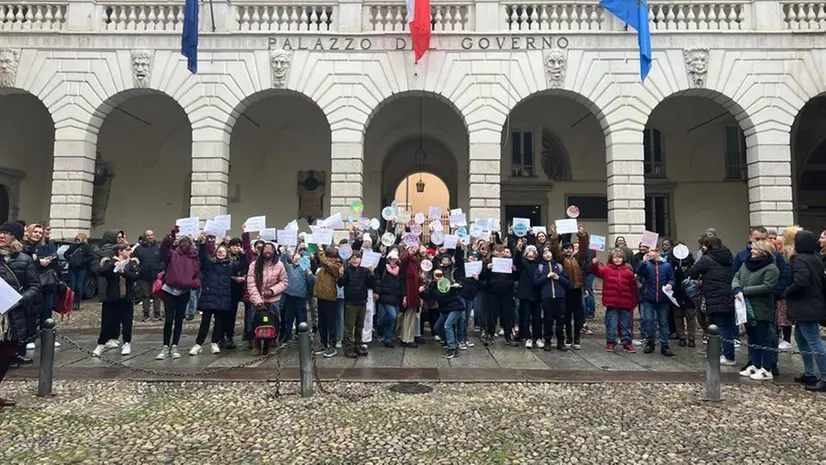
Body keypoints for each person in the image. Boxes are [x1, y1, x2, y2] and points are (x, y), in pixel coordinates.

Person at [0, 221, 41, 408]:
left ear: (14, 237)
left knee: (6, 354)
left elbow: (35, 286)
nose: (2, 236)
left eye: (7, 233)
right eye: (0, 232)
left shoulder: (24, 260)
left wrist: (19, 299)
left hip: (11, 316)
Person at [784, 230, 826, 391]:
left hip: (805, 306)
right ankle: (809, 373)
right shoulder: (816, 258)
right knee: (801, 339)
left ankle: (824, 375)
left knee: (814, 341)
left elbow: (801, 281)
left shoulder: (800, 259)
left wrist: (788, 292)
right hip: (811, 304)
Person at [733, 239, 779, 381]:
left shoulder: (771, 268)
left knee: (763, 339)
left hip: (761, 309)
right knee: (752, 337)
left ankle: (766, 368)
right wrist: (736, 288)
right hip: (745, 306)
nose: (751, 251)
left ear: (763, 251)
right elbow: (736, 277)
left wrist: (745, 291)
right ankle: (754, 363)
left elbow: (767, 286)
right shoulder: (746, 264)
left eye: (755, 249)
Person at [688, 236, 737, 366]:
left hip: (714, 296)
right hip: (728, 295)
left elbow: (692, 271)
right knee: (726, 327)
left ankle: (726, 355)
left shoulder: (707, 259)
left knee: (716, 326)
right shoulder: (728, 256)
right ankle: (724, 353)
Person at [157, 227, 202, 360]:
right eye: (183, 242)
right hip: (170, 290)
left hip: (184, 291)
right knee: (169, 319)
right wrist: (171, 235)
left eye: (187, 242)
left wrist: (195, 283)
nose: (185, 245)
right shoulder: (172, 254)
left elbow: (198, 274)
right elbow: (163, 249)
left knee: (179, 320)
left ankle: (175, 345)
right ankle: (165, 346)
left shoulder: (194, 258)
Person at [189, 239, 237, 356]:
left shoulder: (230, 266)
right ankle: (198, 343)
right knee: (205, 322)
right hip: (209, 297)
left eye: (223, 252)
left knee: (219, 322)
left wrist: (242, 248)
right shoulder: (209, 264)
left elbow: (245, 261)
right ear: (215, 253)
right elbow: (202, 256)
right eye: (219, 251)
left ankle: (214, 343)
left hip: (222, 298)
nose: (221, 253)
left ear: (227, 253)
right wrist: (203, 243)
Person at [92, 243, 140, 357]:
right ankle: (101, 344)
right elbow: (101, 272)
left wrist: (124, 272)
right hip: (112, 298)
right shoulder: (109, 262)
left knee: (127, 323)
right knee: (108, 322)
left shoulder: (131, 263)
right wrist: (114, 265)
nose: (129, 252)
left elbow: (135, 276)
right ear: (120, 251)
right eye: (127, 250)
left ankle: (127, 343)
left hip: (126, 298)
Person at [591, 248, 638, 352]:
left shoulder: (628, 272)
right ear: (611, 258)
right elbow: (596, 272)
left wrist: (634, 302)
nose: (617, 260)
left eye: (619, 258)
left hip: (625, 303)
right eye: (615, 258)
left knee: (626, 324)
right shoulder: (606, 269)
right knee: (611, 323)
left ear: (623, 259)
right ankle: (611, 342)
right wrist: (594, 264)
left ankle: (627, 342)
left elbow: (633, 288)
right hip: (612, 302)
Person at [635, 246, 676, 356]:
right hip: (649, 297)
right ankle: (650, 342)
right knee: (648, 320)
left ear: (658, 252)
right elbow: (639, 273)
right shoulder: (647, 264)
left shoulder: (666, 265)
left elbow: (672, 278)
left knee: (663, 322)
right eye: (650, 251)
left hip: (662, 298)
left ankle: (664, 345)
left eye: (653, 251)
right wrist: (643, 262)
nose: (651, 253)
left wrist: (670, 284)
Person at [247, 242, 289, 347]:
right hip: (258, 299)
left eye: (270, 249)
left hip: (274, 300)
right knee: (257, 322)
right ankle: (255, 341)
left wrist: (272, 291)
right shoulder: (254, 265)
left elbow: (284, 282)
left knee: (273, 321)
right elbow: (251, 284)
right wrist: (258, 300)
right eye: (266, 249)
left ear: (274, 251)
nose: (268, 252)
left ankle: (271, 339)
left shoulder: (279, 265)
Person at [419, 268, 464, 359]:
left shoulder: (448, 283)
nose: (439, 277)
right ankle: (447, 342)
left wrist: (457, 286)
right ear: (434, 277)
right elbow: (428, 297)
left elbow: (445, 293)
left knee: (448, 325)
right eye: (437, 275)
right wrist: (421, 292)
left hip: (456, 307)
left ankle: (452, 349)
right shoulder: (433, 286)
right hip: (445, 309)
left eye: (441, 275)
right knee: (437, 327)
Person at [338, 251, 375, 358]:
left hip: (362, 301)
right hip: (350, 302)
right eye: (353, 258)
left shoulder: (365, 270)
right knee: (349, 326)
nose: (355, 260)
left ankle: (358, 345)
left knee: (360, 325)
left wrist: (372, 273)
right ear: (349, 260)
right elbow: (340, 284)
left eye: (357, 258)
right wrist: (340, 275)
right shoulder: (347, 271)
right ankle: (349, 347)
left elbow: (370, 284)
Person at [533, 245, 570, 351]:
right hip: (547, 297)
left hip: (560, 297)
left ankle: (560, 341)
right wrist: (546, 277)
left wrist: (558, 277)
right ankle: (547, 341)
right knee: (548, 320)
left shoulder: (559, 266)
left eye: (549, 253)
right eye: (545, 253)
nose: (547, 255)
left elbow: (567, 282)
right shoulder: (540, 267)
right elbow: (536, 283)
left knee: (560, 320)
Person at [314, 246, 343, 357]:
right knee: (322, 323)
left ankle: (332, 346)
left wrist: (320, 250)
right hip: (321, 297)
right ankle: (323, 343)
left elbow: (326, 263)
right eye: (329, 257)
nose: (331, 259)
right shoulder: (323, 267)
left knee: (331, 323)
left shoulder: (337, 266)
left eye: (333, 257)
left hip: (330, 298)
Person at [375, 248, 404, 348]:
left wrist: (403, 295)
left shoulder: (399, 269)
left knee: (394, 319)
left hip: (396, 296)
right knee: (392, 316)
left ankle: (388, 338)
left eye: (395, 259)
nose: (393, 260)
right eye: (391, 258)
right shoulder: (384, 267)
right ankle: (380, 325)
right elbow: (378, 274)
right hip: (385, 295)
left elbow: (401, 283)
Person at [133, 229, 164, 321]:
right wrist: (138, 269)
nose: (150, 237)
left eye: (151, 235)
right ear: (145, 237)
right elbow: (134, 260)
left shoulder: (158, 247)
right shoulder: (139, 249)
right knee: (145, 295)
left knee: (157, 295)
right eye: (148, 235)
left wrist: (160, 269)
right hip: (143, 276)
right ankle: (146, 314)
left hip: (156, 275)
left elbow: (163, 259)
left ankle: (157, 313)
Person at [65, 233, 94, 311]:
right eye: (76, 239)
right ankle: (70, 302)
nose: (77, 241)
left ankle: (77, 302)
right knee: (72, 286)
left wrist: (83, 261)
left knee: (79, 286)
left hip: (82, 269)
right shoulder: (73, 246)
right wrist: (70, 259)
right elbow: (66, 254)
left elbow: (91, 256)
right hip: (72, 268)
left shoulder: (86, 247)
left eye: (78, 239)